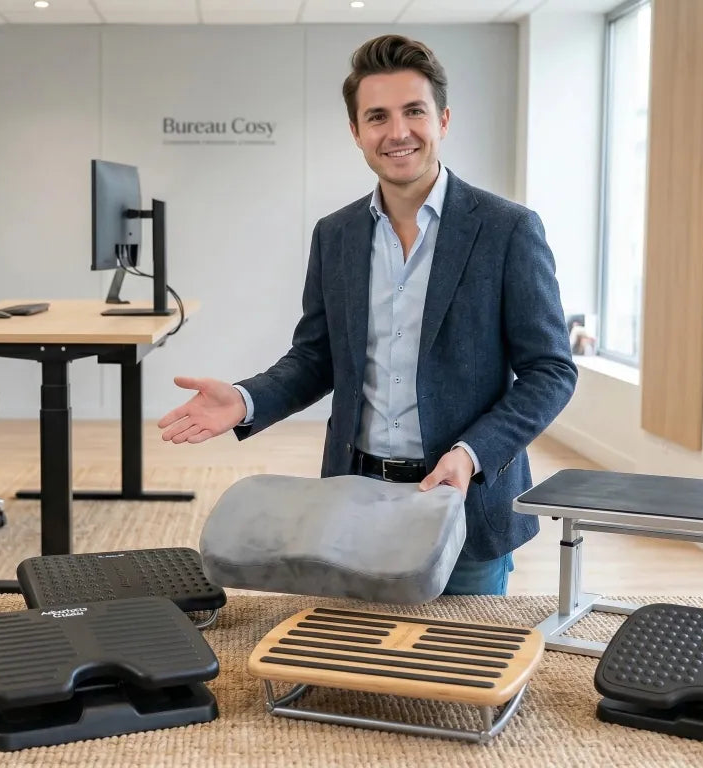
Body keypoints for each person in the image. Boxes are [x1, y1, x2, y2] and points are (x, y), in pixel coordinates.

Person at [156, 34, 577, 596]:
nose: (397, 131)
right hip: (351, 499)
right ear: (356, 132)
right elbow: (317, 358)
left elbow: (551, 370)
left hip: (460, 502)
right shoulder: (336, 235)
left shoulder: (507, 230)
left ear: (443, 119)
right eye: (377, 116)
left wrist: (471, 455)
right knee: (350, 672)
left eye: (413, 112)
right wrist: (247, 399)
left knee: (452, 677)